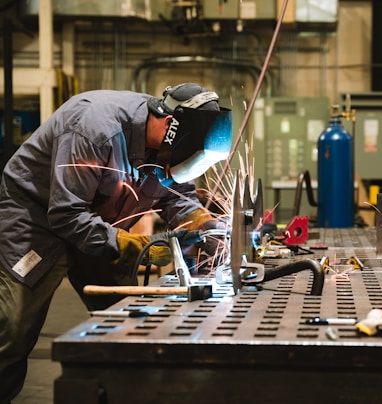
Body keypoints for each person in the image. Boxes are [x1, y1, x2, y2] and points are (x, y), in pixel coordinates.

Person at [0, 82, 233, 402]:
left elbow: (180, 200)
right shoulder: (95, 129)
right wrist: (139, 247)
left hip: (98, 227)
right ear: (170, 126)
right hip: (37, 222)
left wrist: (208, 226)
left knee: (128, 316)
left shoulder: (174, 146)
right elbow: (66, 215)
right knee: (13, 329)